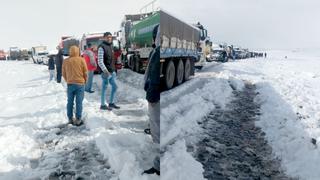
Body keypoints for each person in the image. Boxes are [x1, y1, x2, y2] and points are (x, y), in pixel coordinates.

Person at [143, 25, 160, 176]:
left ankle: (159, 166)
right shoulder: (156, 51)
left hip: (155, 96)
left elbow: (155, 75)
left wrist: (151, 94)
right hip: (154, 93)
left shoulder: (158, 52)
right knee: (155, 126)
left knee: (157, 129)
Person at [62, 46, 88, 126]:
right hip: (80, 84)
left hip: (70, 84)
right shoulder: (81, 60)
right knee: (79, 102)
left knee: (70, 102)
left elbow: (63, 74)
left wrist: (68, 80)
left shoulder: (66, 61)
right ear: (78, 51)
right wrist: (85, 81)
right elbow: (85, 73)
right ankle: (78, 119)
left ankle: (70, 118)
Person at [98, 32, 120, 110]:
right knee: (104, 88)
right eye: (107, 37)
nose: (109, 38)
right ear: (104, 38)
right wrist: (105, 71)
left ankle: (111, 103)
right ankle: (103, 105)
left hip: (111, 71)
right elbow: (100, 61)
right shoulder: (101, 47)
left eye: (110, 37)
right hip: (106, 72)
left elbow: (111, 59)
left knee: (115, 87)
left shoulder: (111, 46)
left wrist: (114, 69)